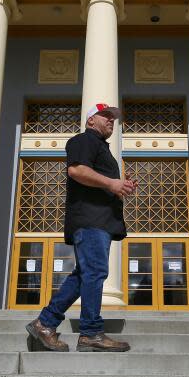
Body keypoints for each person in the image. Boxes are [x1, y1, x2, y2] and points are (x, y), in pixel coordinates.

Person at [26, 103, 137, 352]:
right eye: (105, 116)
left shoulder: (100, 148)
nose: (111, 120)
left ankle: (45, 323)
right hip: (90, 220)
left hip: (99, 220)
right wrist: (111, 183)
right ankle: (90, 333)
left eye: (113, 117)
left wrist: (120, 187)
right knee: (94, 272)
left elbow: (99, 181)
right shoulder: (83, 141)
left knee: (86, 274)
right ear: (90, 121)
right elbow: (76, 170)